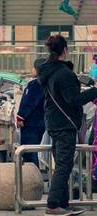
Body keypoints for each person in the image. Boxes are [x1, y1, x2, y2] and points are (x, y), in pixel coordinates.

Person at [38, 35, 97, 216]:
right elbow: (74, 100)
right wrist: (95, 91)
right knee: (64, 165)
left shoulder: (48, 71)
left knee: (61, 164)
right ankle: (54, 204)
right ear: (65, 49)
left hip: (53, 122)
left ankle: (63, 203)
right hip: (65, 125)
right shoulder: (64, 74)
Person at [17, 58, 46, 167]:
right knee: (33, 150)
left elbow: (29, 102)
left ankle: (33, 176)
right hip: (41, 122)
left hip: (31, 123)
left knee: (29, 151)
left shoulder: (35, 84)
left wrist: (21, 116)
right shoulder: (46, 83)